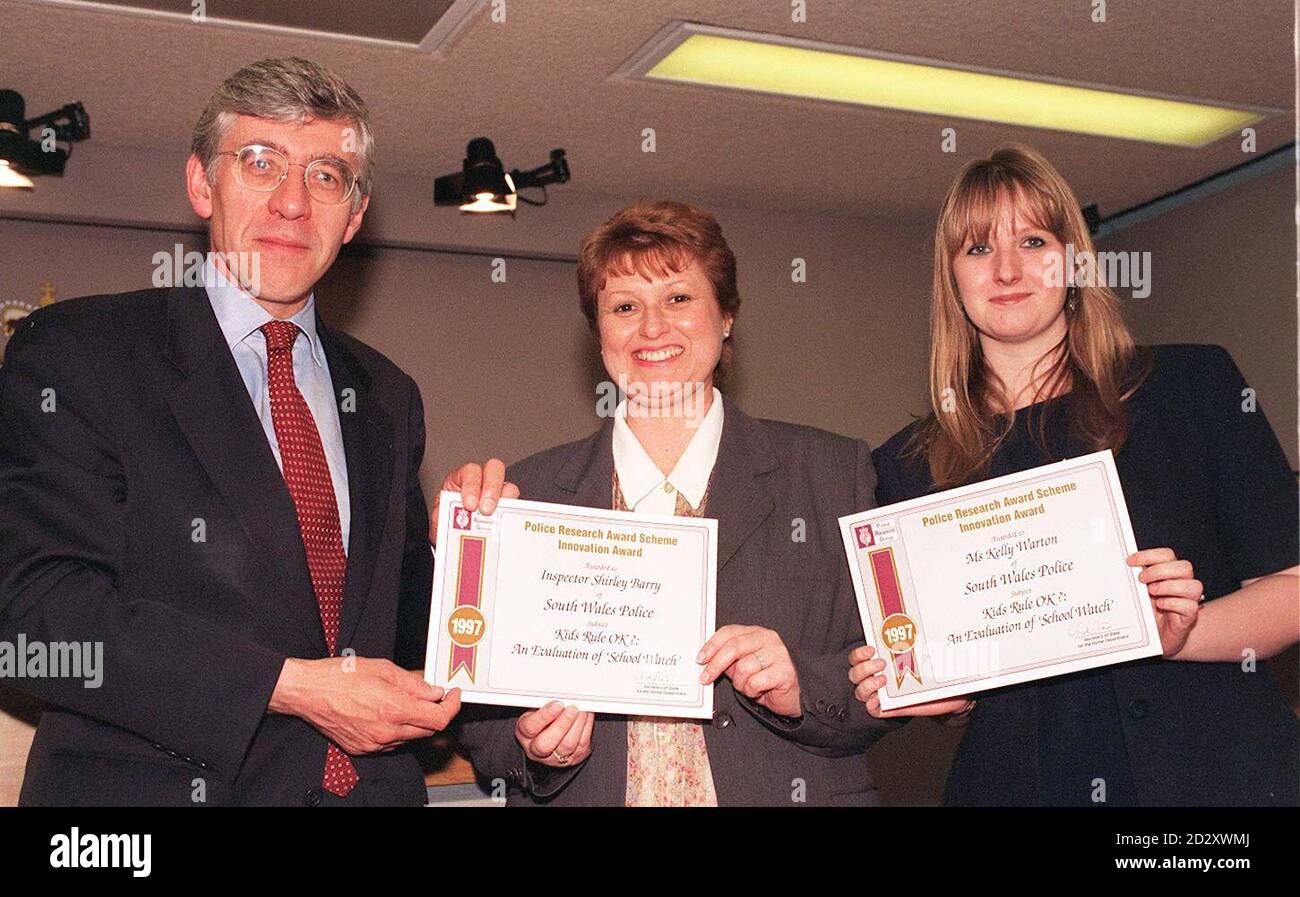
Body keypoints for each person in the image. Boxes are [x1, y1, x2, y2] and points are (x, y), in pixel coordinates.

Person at [0, 57, 459, 806]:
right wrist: (291, 687)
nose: (291, 203)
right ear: (200, 183)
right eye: (259, 162)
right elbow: (35, 616)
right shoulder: (80, 354)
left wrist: (474, 555)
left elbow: (400, 629)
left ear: (353, 214)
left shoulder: (385, 395)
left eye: (325, 176)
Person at [850, 143, 1298, 806]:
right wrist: (914, 681)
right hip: (1021, 780)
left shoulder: (1192, 386)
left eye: (1033, 240)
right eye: (977, 249)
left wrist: (1179, 631)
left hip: (1214, 771)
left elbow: (1289, 587)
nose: (1006, 268)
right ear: (952, 277)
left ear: (1074, 260)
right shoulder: (905, 465)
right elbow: (950, 684)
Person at [446, 200, 897, 805]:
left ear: (728, 315)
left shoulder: (829, 473)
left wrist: (802, 687)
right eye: (625, 306)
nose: (652, 328)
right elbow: (482, 722)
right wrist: (531, 746)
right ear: (598, 330)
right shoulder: (529, 498)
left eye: (679, 299)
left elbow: (893, 674)